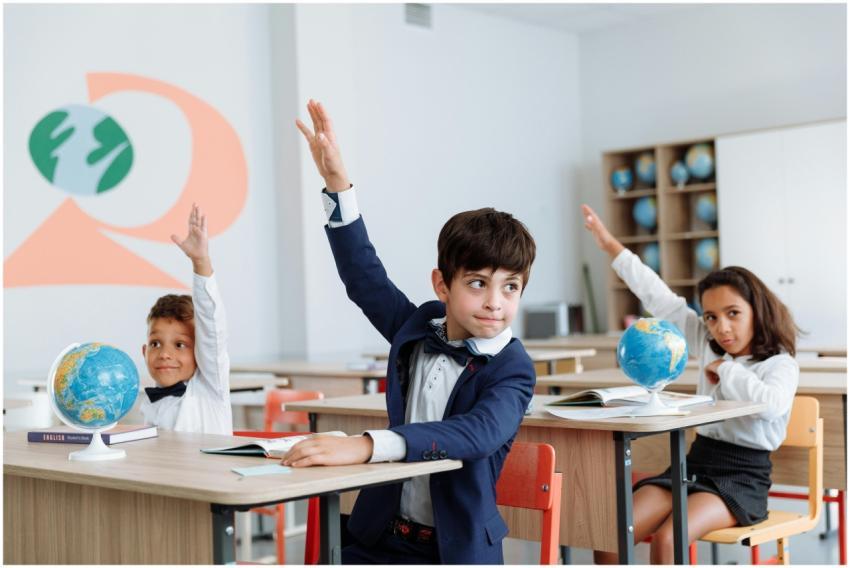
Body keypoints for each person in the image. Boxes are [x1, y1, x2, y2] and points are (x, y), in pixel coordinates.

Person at [286, 99, 537, 564]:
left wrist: (367, 446)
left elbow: (478, 433)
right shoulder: (419, 327)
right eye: (478, 283)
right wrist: (337, 185)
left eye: (510, 287)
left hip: (454, 551)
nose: (494, 302)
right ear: (442, 284)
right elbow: (365, 280)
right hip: (380, 538)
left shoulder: (513, 367)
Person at [582, 204, 800, 564]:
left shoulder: (779, 364)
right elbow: (657, 295)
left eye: (733, 314)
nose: (721, 328)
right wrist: (609, 245)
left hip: (743, 477)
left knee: (668, 540)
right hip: (695, 463)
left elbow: (771, 405)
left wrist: (726, 370)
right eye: (711, 317)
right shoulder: (705, 339)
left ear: (756, 310)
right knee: (611, 534)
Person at [140, 204, 232, 436]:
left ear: (200, 351)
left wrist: (200, 262)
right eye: (155, 344)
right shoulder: (148, 404)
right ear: (144, 351)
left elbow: (212, 327)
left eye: (180, 344)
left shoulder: (211, 387)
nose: (164, 354)